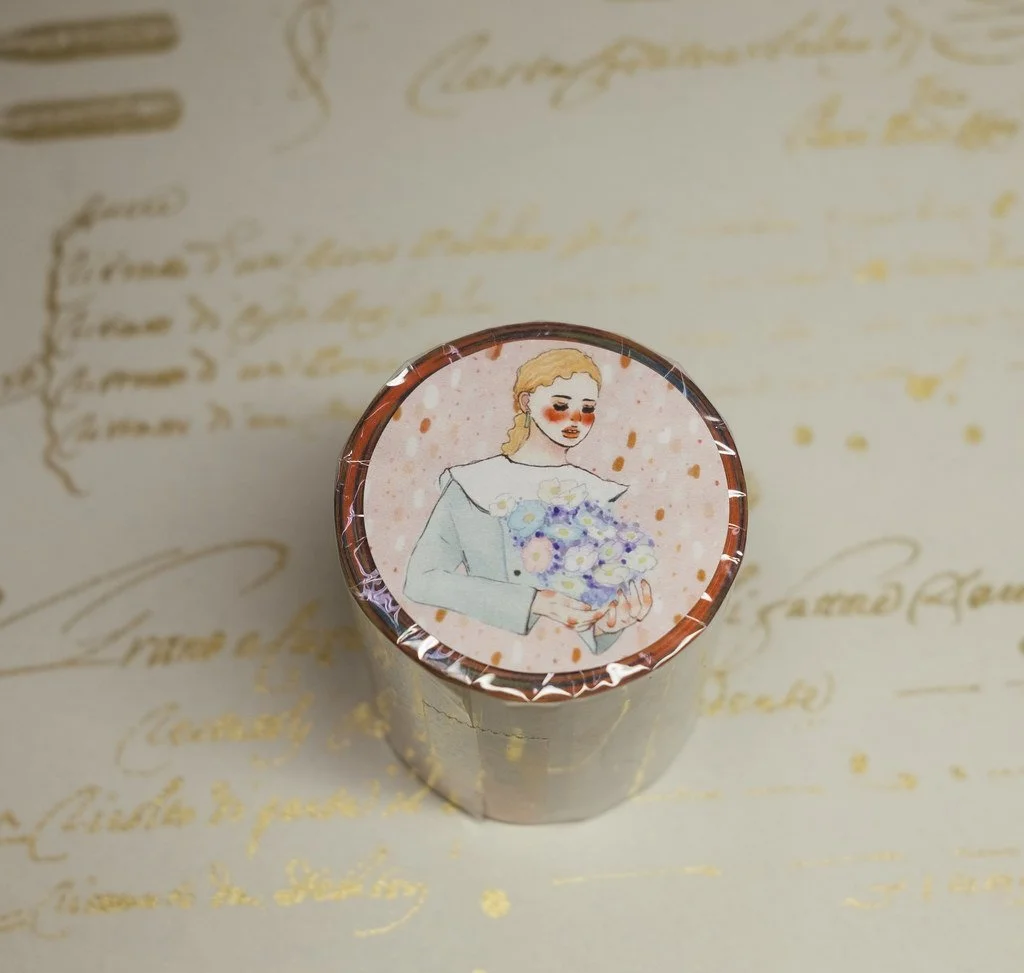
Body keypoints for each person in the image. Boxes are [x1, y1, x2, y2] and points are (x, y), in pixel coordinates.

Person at [403, 347, 653, 654]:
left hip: (570, 664)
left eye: (588, 408)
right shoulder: (473, 483)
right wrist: (533, 602)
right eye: (561, 405)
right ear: (526, 402)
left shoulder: (597, 493)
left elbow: (592, 603)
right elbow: (421, 581)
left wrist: (607, 626)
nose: (576, 418)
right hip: (486, 651)